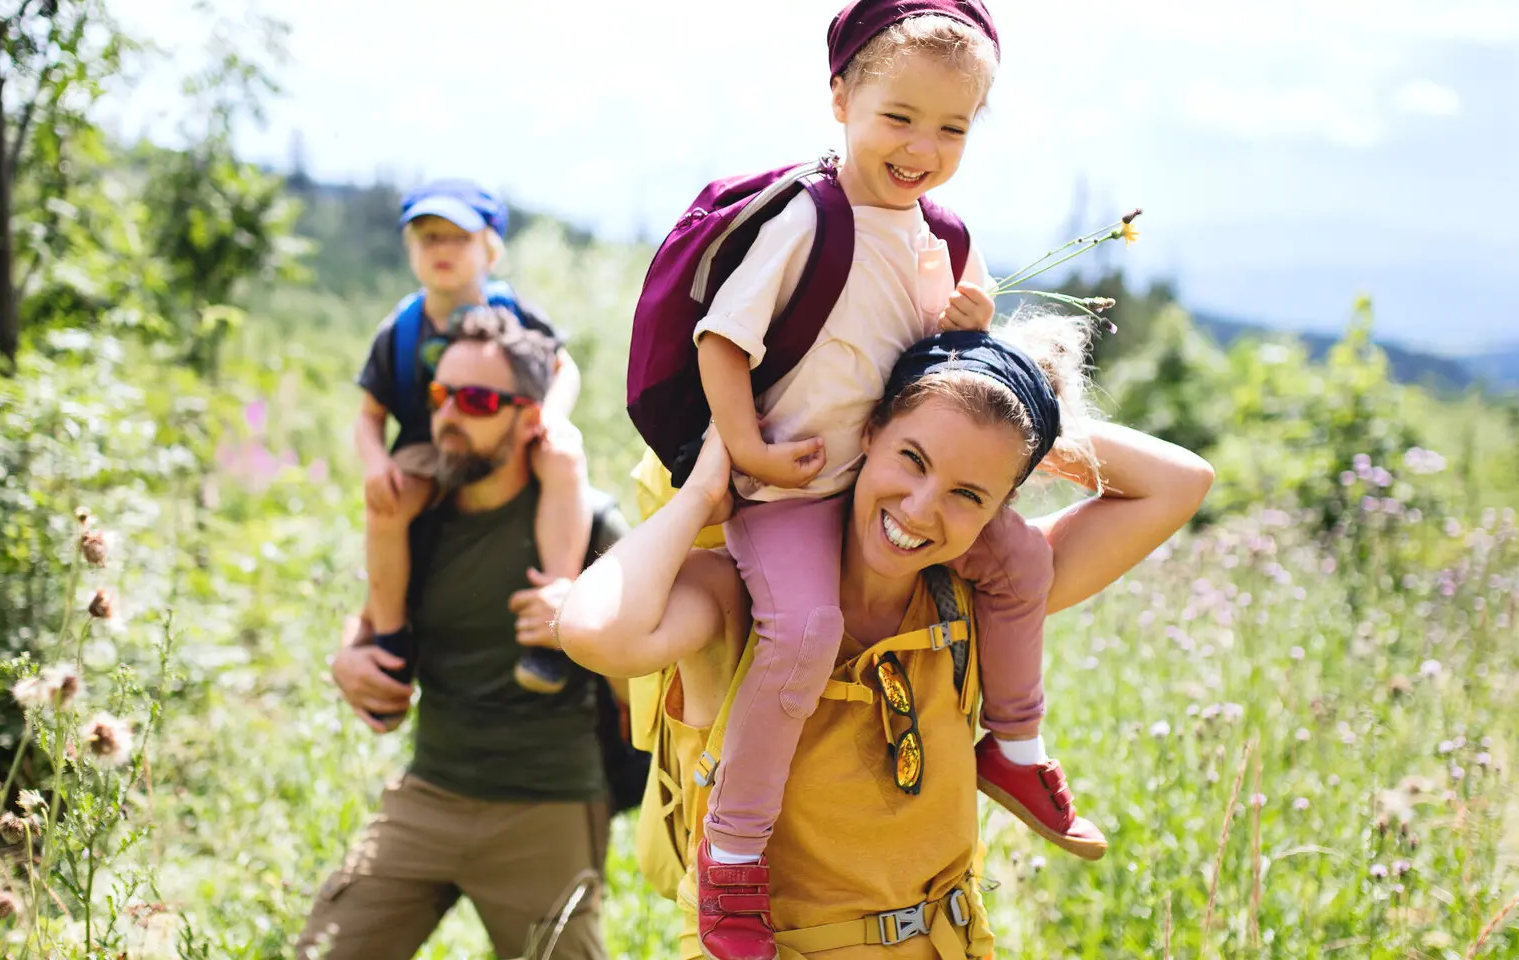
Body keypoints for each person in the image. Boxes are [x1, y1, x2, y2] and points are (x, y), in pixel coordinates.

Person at [633, 3, 1101, 955]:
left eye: (952, 128)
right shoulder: (809, 218)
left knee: (1017, 564)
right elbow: (722, 340)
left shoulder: (942, 233)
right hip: (795, 492)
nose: (922, 146)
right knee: (802, 632)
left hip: (880, 485)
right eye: (900, 117)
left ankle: (1014, 751)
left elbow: (928, 378)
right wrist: (748, 455)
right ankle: (733, 854)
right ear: (839, 97)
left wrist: (966, 324)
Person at [564, 323, 1214, 959]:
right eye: (913, 458)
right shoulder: (742, 598)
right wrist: (704, 491)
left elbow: (1181, 483)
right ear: (866, 432)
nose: (921, 508)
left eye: (968, 493)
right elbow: (596, 633)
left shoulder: (974, 599)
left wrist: (1013, 407)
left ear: (999, 507)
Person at [303, 309, 629, 960]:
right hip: (430, 792)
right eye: (439, 396)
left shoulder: (590, 527)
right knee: (324, 952)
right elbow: (367, 626)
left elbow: (649, 683)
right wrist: (346, 661)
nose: (449, 415)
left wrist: (587, 626)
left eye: (476, 399)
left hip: (548, 806)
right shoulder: (417, 515)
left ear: (529, 416)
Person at [355, 179, 590, 702]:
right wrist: (375, 463)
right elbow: (368, 416)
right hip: (427, 444)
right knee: (386, 506)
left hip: (508, 433)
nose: (441, 250)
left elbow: (563, 367)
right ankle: (392, 642)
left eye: (457, 238)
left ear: (490, 249)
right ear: (410, 249)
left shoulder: (515, 312)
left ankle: (552, 614)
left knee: (563, 456)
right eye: (427, 238)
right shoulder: (401, 329)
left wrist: (551, 414)